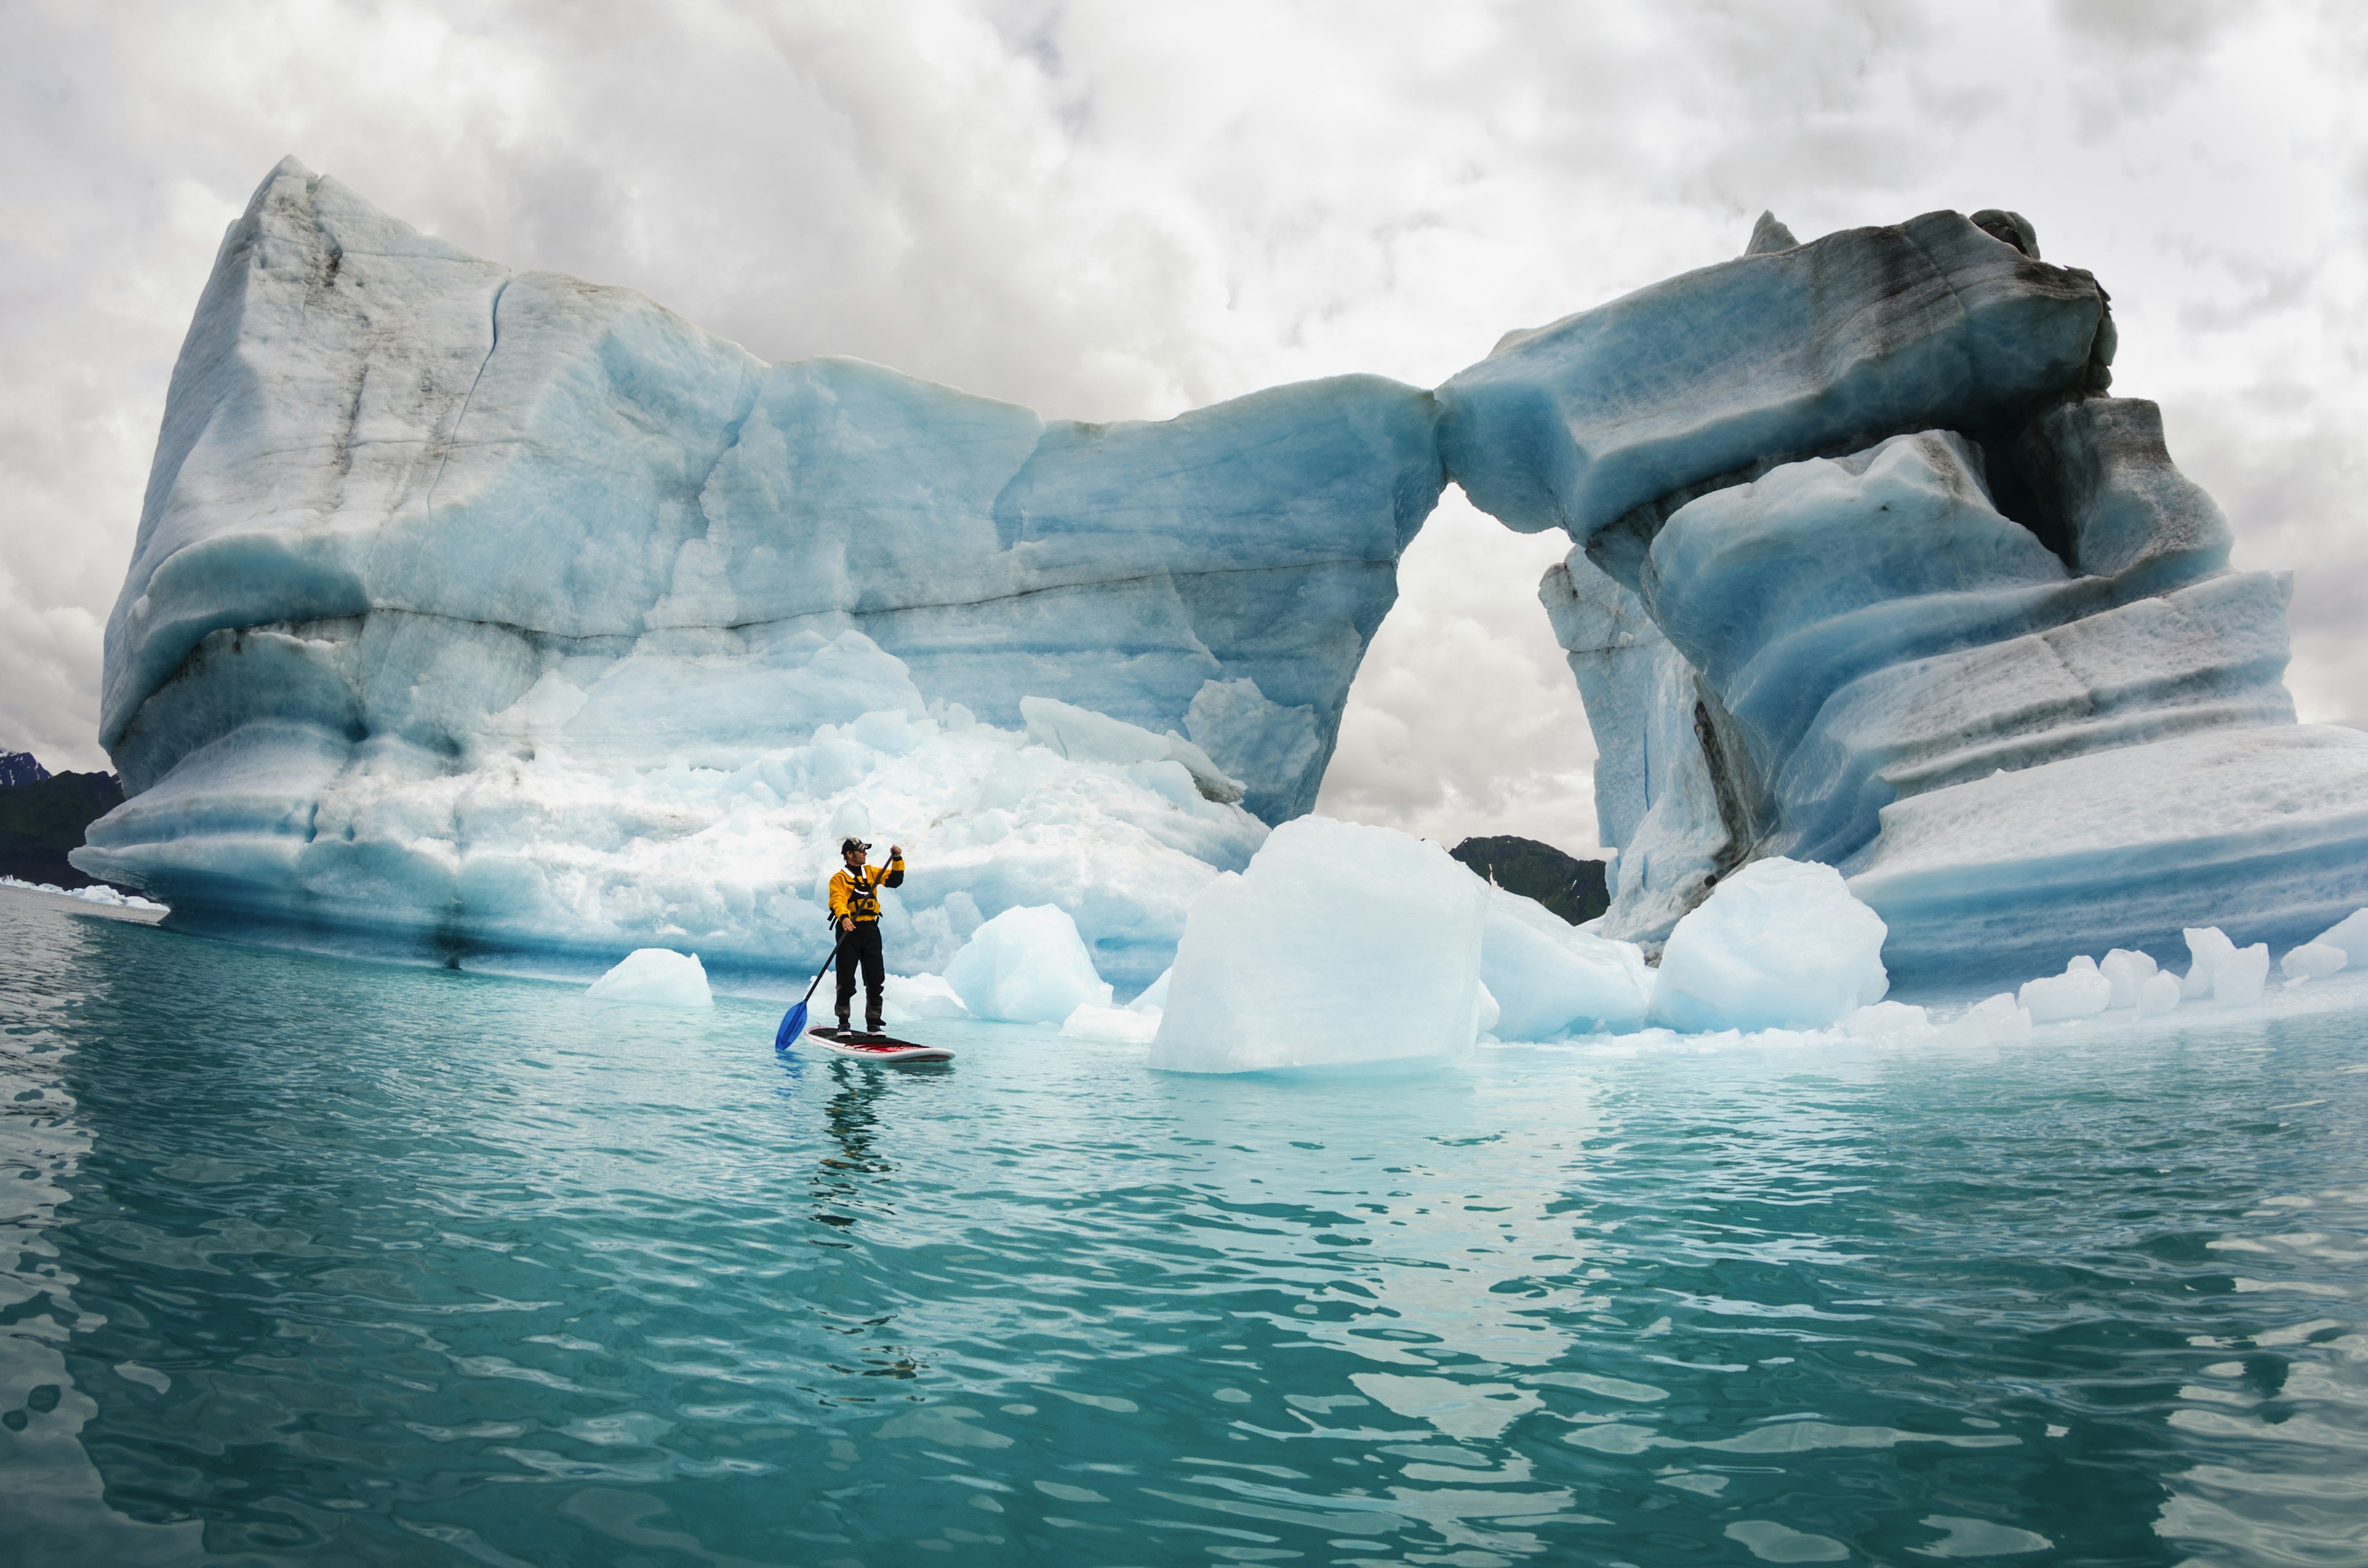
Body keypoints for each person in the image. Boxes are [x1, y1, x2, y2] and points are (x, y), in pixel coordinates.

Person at [828, 836, 904, 1035]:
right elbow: (837, 900)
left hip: (871, 930)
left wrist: (897, 859)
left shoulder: (872, 872)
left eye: (865, 850)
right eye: (861, 851)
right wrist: (844, 917)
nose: (865, 854)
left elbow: (895, 881)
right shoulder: (839, 878)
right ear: (849, 854)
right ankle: (843, 1022)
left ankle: (874, 1023)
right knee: (846, 979)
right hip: (849, 930)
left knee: (875, 978)